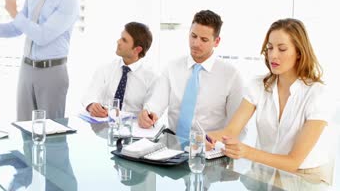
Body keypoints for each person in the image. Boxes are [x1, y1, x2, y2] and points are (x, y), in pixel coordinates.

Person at [208, 18, 334, 184]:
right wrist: (203, 138)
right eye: (269, 48)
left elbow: (293, 162)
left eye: (282, 49)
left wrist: (246, 152)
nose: (273, 55)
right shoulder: (258, 86)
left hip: (306, 177)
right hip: (265, 171)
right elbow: (230, 131)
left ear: (299, 52)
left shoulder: (317, 94)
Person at [138, 10, 245, 140]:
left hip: (210, 146)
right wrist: (147, 113)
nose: (196, 43)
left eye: (204, 40)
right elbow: (155, 103)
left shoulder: (231, 75)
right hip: (173, 142)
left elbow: (238, 127)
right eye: (193, 36)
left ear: (216, 41)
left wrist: (219, 145)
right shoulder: (172, 67)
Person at [82, 22, 157, 117]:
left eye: (124, 40)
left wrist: (146, 117)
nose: (118, 41)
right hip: (104, 125)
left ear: (137, 50)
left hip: (132, 127)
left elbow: (151, 109)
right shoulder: (105, 68)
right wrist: (91, 105)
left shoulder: (152, 77)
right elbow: (89, 95)